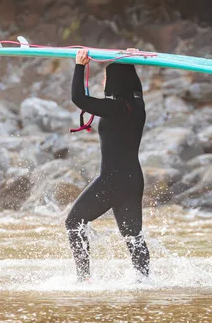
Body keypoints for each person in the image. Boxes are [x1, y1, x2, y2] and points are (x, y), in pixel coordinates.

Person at [65, 48, 150, 282]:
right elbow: (136, 87)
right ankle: (145, 281)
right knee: (133, 237)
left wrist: (79, 65)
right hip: (133, 181)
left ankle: (84, 279)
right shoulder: (138, 106)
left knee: (73, 223)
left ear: (115, 82)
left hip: (112, 180)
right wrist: (129, 59)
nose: (103, 80)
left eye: (106, 77)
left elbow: (78, 99)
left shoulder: (115, 109)